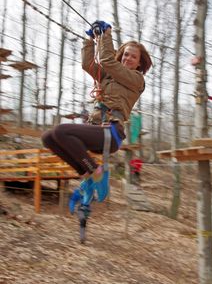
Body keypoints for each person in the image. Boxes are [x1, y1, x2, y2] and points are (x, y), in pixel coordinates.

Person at [41, 21, 152, 205]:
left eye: (133, 57)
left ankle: (97, 173)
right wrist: (90, 39)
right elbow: (88, 64)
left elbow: (108, 61)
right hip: (96, 128)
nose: (127, 58)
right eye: (125, 54)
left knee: (61, 131)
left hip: (112, 131)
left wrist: (106, 34)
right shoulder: (108, 75)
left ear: (139, 63)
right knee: (48, 138)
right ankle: (88, 175)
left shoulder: (137, 80)